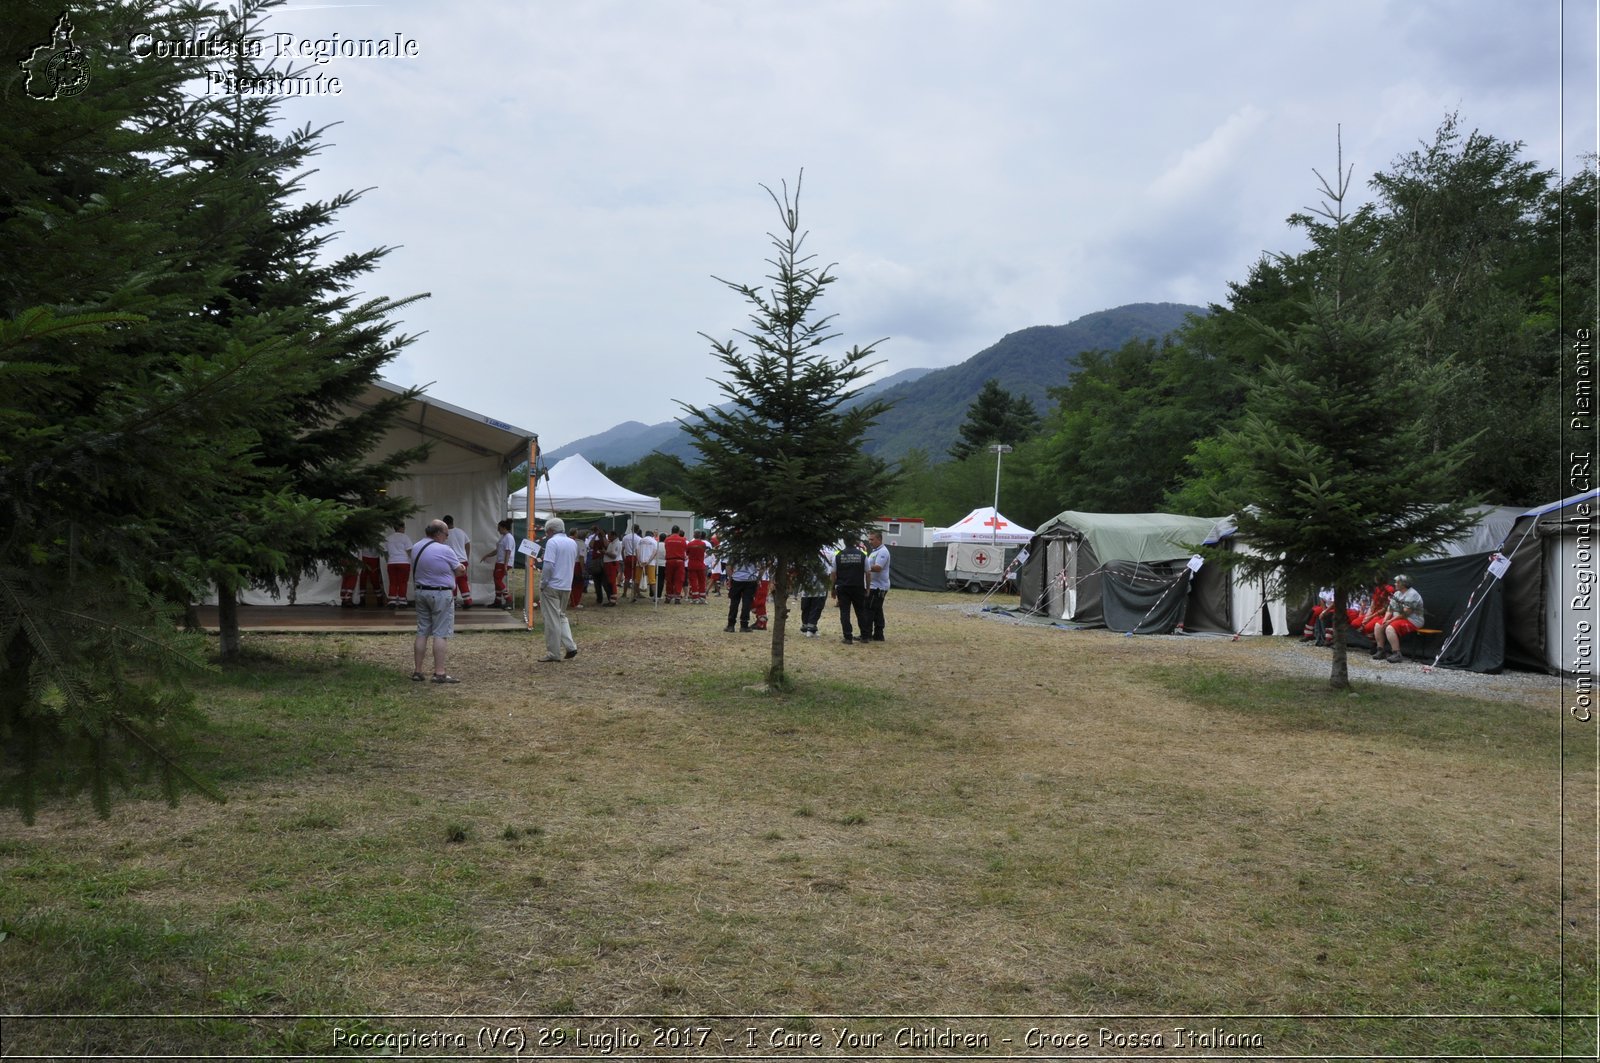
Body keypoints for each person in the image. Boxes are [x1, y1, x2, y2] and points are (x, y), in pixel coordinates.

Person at [410, 519, 466, 683]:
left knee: (422, 632)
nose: (447, 538)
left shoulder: (416, 547)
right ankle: (439, 673)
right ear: (439, 533)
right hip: (441, 594)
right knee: (440, 633)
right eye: (446, 534)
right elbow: (459, 570)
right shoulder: (445, 549)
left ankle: (418, 671)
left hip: (421, 592)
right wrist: (462, 569)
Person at [537, 517, 579, 663]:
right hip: (567, 585)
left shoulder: (552, 542)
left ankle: (553, 653)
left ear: (550, 530)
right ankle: (570, 646)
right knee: (561, 616)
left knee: (551, 620)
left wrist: (543, 583)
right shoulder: (572, 543)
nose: (546, 534)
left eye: (546, 531)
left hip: (552, 586)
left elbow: (548, 566)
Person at [1372, 574, 1424, 663]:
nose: (1395, 584)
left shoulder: (1412, 594)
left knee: (1389, 628)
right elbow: (1390, 608)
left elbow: (1405, 613)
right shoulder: (1397, 593)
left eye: (1397, 582)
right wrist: (1385, 619)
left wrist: (1390, 621)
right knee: (1378, 625)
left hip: (1412, 620)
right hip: (1398, 618)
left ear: (1403, 584)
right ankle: (1381, 651)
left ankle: (1397, 654)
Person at [832, 534, 870, 644]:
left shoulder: (838, 555)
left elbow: (833, 574)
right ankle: (864, 636)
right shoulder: (863, 555)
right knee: (861, 612)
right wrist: (867, 588)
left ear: (844, 541)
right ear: (854, 541)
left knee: (844, 613)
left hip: (843, 587)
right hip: (858, 587)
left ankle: (848, 637)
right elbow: (868, 573)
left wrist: (833, 588)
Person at [481, 519, 516, 610]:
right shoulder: (503, 537)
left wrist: (505, 565)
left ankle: (509, 600)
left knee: (498, 580)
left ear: (504, 528)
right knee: (497, 580)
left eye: (499, 528)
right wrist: (487, 555)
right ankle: (497, 601)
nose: (498, 530)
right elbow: (498, 550)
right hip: (499, 562)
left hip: (503, 563)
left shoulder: (509, 537)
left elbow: (508, 551)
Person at [865, 530, 892, 642]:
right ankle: (878, 634)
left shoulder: (883, 552)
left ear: (879, 539)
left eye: (872, 539)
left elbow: (878, 567)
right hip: (875, 585)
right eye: (869, 539)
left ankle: (866, 634)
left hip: (878, 587)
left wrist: (864, 568)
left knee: (869, 609)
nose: (870, 542)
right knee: (877, 609)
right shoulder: (875, 551)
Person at [443, 515, 473, 609]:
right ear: (453, 522)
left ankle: (453, 601)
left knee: (453, 582)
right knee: (463, 581)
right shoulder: (461, 532)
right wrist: (466, 557)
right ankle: (467, 601)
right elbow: (468, 544)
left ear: (445, 524)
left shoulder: (445, 535)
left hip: (451, 562)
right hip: (463, 560)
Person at [724, 554, 759, 632]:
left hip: (737, 579)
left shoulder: (736, 551)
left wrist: (731, 578)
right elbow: (762, 567)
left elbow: (728, 566)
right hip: (751, 580)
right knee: (747, 603)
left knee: (734, 602)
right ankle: (744, 625)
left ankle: (731, 625)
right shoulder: (755, 552)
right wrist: (758, 578)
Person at [384, 522, 412, 608]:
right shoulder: (405, 537)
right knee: (403, 582)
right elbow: (409, 550)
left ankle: (392, 600)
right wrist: (411, 559)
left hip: (391, 563)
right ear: (401, 528)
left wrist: (389, 560)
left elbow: (385, 552)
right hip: (403, 562)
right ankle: (402, 601)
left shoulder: (388, 538)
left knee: (393, 582)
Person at [662, 526, 688, 603]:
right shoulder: (683, 540)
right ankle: (677, 597)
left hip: (669, 561)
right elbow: (684, 550)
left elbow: (666, 548)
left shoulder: (667, 539)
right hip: (680, 561)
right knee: (679, 579)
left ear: (671, 530)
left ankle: (669, 596)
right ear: (678, 531)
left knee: (669, 579)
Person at [685, 529, 709, 603]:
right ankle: (702, 597)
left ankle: (695, 597)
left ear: (694, 535)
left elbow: (687, 553)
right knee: (702, 581)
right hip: (700, 565)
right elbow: (704, 552)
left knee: (693, 581)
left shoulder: (690, 544)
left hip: (692, 565)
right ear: (700, 535)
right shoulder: (703, 544)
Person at [635, 528, 658, 602]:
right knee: (652, 581)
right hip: (650, 563)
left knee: (637, 580)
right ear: (652, 535)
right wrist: (648, 561)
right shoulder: (654, 541)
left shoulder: (640, 540)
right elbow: (655, 552)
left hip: (639, 563)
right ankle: (655, 597)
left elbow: (637, 551)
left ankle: (635, 595)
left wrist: (639, 561)